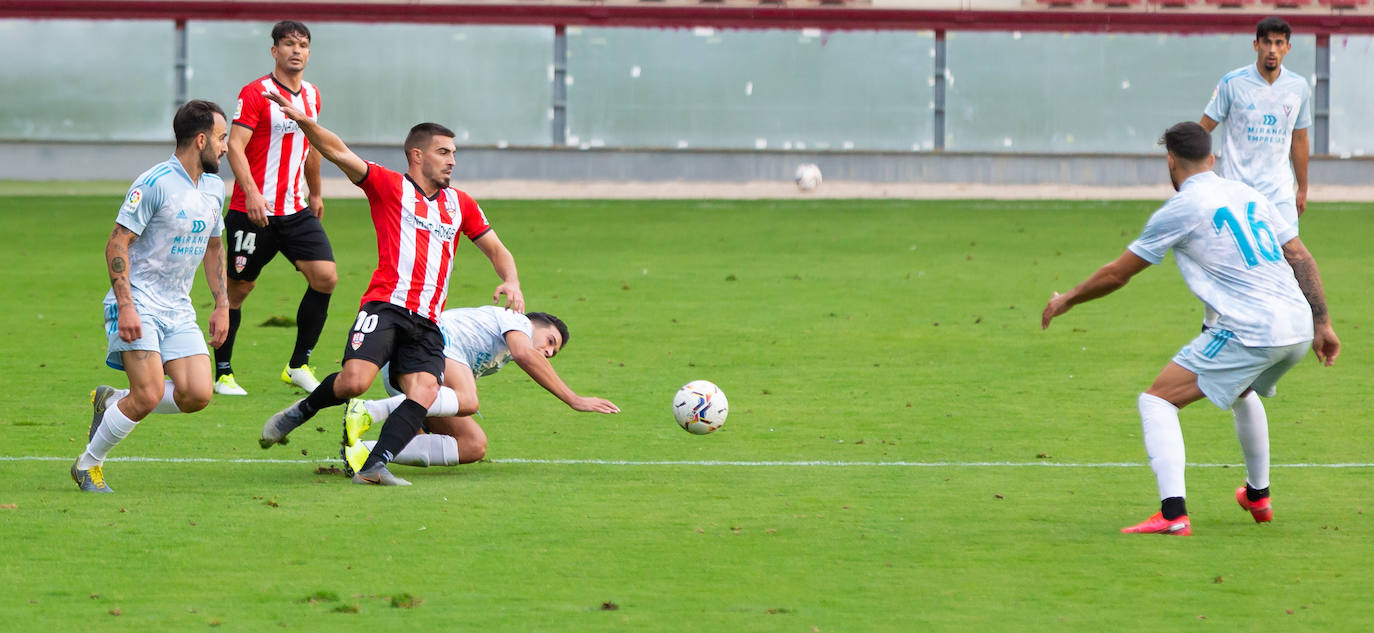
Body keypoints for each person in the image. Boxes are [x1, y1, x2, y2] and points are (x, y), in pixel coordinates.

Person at [1041, 122, 1339, 536]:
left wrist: (1068, 298)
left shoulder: (1182, 208)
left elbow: (1117, 274)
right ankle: (1258, 495)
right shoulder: (1248, 194)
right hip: (1298, 326)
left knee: (1157, 401)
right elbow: (1300, 256)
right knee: (1242, 389)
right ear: (1212, 159)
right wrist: (1322, 322)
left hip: (1254, 329)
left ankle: (1172, 513)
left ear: (1170, 162)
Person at [255, 90, 524, 486]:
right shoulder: (388, 185)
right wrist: (306, 123)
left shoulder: (460, 203)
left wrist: (511, 279)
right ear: (417, 155)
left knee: (425, 391)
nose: (452, 160)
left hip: (428, 320)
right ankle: (300, 411)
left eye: (453, 153)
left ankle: (373, 466)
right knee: (354, 383)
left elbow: (497, 249)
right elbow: (339, 152)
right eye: (443, 152)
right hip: (386, 307)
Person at [72, 100, 231, 493]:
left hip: (178, 307)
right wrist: (125, 305)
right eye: (221, 138)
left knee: (198, 393)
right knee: (148, 394)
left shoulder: (214, 187)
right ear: (200, 140)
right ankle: (88, 464)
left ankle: (111, 402)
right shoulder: (155, 182)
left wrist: (223, 305)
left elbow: (214, 248)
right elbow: (116, 244)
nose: (226, 147)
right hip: (138, 301)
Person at [338, 307, 620, 473]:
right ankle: (367, 410)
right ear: (533, 323)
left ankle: (364, 453)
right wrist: (573, 399)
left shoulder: (500, 353)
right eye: (549, 341)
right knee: (469, 400)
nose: (547, 351)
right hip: (430, 349)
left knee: (473, 445)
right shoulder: (517, 321)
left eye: (552, 352)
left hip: (409, 373)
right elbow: (525, 355)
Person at [215, 20, 334, 397]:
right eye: (288, 44)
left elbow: (313, 148)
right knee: (238, 290)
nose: (296, 51)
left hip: (295, 209)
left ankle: (298, 365)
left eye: (302, 45)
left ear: (309, 53)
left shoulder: (312, 96)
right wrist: (250, 192)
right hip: (253, 210)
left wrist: (315, 193)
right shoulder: (256, 93)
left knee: (325, 277)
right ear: (274, 51)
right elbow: (235, 146)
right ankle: (222, 371)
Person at [1200, 16, 1311, 228]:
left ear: (1288, 48)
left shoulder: (1299, 87)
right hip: (1236, 191)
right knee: (1238, 259)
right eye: (1267, 42)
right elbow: (1204, 129)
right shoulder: (1232, 83)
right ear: (1256, 45)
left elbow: (1300, 139)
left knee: (1291, 257)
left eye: (1278, 43)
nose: (1272, 49)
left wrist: (1303, 187)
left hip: (1280, 193)